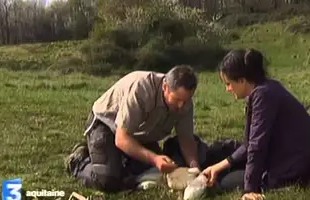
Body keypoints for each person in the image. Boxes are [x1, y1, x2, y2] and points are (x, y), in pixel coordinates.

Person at [201, 48, 310, 200]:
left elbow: (256, 146)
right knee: (225, 165)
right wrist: (219, 166)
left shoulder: (263, 96)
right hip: (299, 162)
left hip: (296, 169)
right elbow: (249, 145)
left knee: (226, 182)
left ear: (242, 80)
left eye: (229, 83)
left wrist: (250, 189)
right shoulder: (267, 88)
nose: (227, 89)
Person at [66, 66, 206, 192]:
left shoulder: (185, 104)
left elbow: (186, 139)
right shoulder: (142, 89)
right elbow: (121, 138)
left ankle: (115, 158)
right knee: (108, 180)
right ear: (165, 87)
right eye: (177, 99)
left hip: (139, 133)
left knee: (149, 172)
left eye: (186, 100)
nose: (181, 105)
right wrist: (155, 159)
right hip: (107, 125)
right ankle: (79, 161)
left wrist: (195, 169)